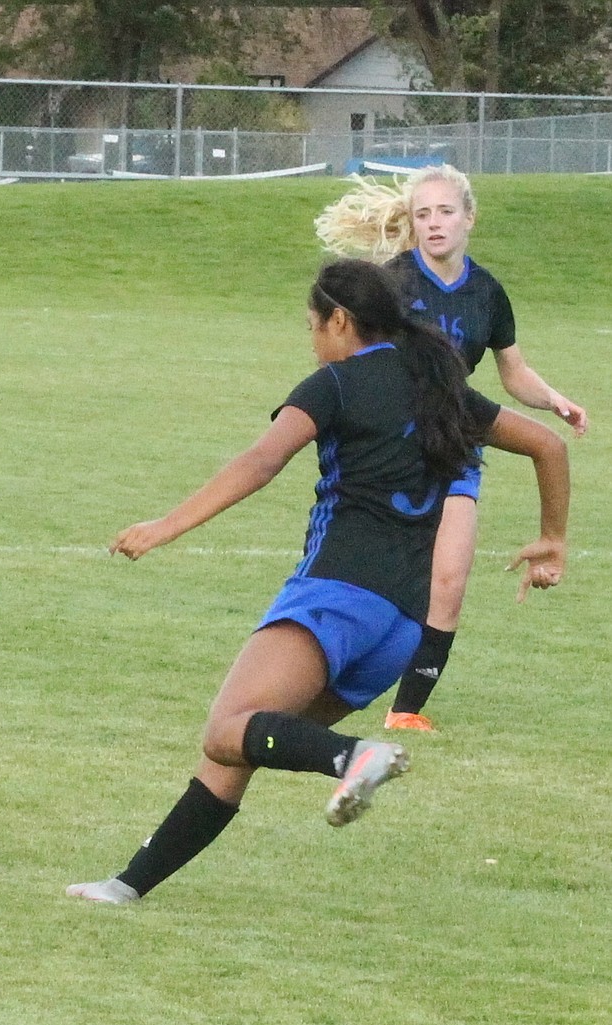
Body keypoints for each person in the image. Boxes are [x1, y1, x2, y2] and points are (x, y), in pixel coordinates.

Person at [66, 258, 568, 905]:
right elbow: (549, 446)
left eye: (313, 326)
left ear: (340, 320)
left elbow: (263, 458)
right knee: (241, 747)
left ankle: (353, 759)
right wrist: (552, 539)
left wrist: (166, 525)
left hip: (338, 599)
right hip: (399, 631)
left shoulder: (335, 383)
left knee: (226, 729)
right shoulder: (439, 385)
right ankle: (128, 886)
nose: (312, 341)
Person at [315, 164, 586, 731]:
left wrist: (552, 399)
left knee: (450, 580)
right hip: (393, 449)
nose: (433, 223)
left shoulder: (487, 292)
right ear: (411, 224)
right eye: (422, 214)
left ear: (469, 218)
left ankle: (406, 712)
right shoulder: (391, 284)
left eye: (444, 212)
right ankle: (327, 673)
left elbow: (513, 372)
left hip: (455, 437)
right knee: (383, 572)